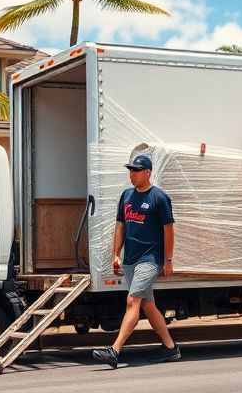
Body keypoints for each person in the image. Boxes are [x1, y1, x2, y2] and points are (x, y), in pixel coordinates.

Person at [92, 154, 180, 368]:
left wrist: (167, 260)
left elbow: (168, 231)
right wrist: (115, 254)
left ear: (147, 173)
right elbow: (120, 226)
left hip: (150, 259)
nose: (131, 174)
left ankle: (114, 351)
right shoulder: (126, 196)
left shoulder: (159, 198)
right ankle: (170, 348)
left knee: (133, 301)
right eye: (130, 170)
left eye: (136, 170)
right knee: (148, 305)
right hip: (130, 259)